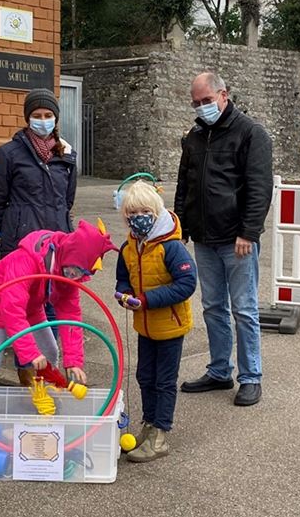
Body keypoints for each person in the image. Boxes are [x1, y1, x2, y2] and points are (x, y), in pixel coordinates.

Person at [0, 220, 116, 448]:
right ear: (68, 255)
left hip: (31, 307)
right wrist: (29, 353)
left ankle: (41, 398)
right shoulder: (26, 260)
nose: (74, 277)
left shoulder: (67, 273)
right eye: (74, 271)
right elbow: (11, 308)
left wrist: (74, 361)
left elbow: (71, 318)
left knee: (50, 351)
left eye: (81, 274)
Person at [175, 73, 272, 407]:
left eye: (207, 100)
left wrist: (249, 231)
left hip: (236, 239)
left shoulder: (250, 133)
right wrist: (180, 225)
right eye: (196, 103)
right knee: (213, 307)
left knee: (244, 309)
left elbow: (260, 187)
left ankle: (250, 377)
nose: (202, 107)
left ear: (223, 95)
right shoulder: (196, 136)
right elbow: (184, 183)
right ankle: (219, 370)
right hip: (204, 237)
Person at [0, 88, 77, 385]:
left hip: (57, 251)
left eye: (48, 115)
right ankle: (28, 379)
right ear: (27, 118)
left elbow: (68, 199)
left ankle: (50, 379)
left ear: (56, 118)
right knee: (23, 314)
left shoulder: (66, 155)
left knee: (53, 311)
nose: (42, 120)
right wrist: (18, 230)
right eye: (36, 116)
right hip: (22, 251)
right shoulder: (9, 154)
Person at [114, 181, 196, 463]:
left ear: (156, 211)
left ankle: (160, 434)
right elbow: (123, 277)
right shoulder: (129, 246)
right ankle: (148, 425)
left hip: (170, 326)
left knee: (164, 381)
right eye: (132, 212)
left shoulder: (171, 247)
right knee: (144, 377)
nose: (138, 217)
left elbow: (187, 283)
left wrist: (147, 300)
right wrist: (124, 294)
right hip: (144, 325)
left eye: (145, 211)